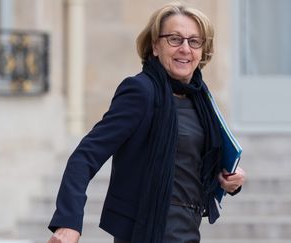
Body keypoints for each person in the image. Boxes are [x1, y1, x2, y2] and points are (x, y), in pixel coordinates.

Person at [48, 2, 246, 243]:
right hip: (146, 231)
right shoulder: (141, 91)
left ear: (202, 51)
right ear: (155, 46)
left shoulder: (200, 98)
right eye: (175, 39)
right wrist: (68, 222)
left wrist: (229, 179)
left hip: (187, 231)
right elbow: (85, 156)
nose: (185, 48)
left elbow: (190, 165)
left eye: (194, 41)